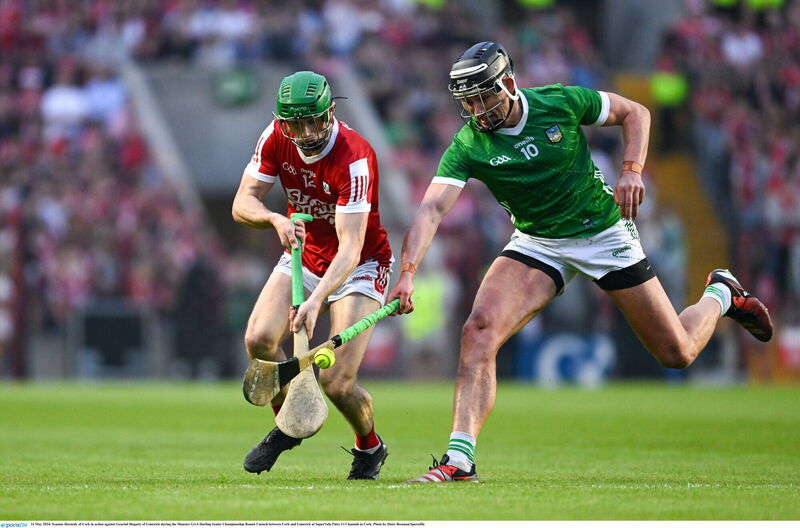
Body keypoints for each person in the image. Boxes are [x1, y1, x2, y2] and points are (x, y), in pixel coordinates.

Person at [387, 42, 774, 483]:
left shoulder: (560, 101)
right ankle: (460, 461)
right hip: (537, 241)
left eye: (483, 95)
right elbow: (431, 211)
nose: (477, 109)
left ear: (509, 84)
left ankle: (721, 292)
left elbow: (637, 113)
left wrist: (631, 169)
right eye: (468, 101)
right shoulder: (470, 143)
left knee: (677, 351)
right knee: (477, 332)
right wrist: (408, 273)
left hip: (602, 233)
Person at [232, 71, 393, 480]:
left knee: (337, 382)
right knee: (258, 339)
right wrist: (273, 219)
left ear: (331, 112)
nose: (305, 133)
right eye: (295, 124)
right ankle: (289, 422)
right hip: (304, 254)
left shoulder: (355, 157)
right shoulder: (275, 136)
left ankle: (369, 447)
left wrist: (316, 299)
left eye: (314, 122)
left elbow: (352, 246)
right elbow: (241, 203)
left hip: (359, 266)